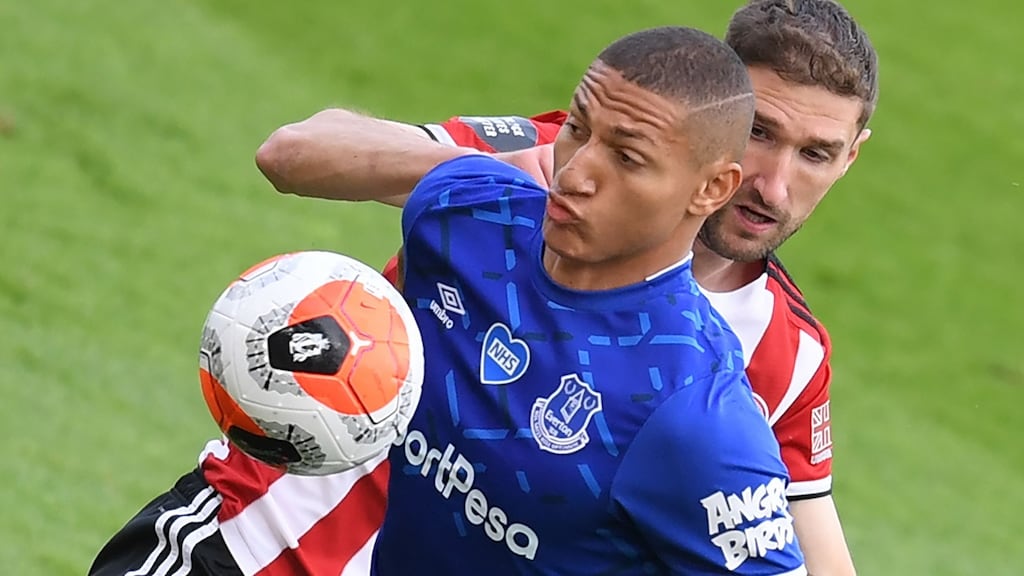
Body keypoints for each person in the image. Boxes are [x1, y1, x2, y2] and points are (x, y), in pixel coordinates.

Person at [89, 1, 877, 575]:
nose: (774, 185)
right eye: (761, 131)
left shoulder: (777, 357)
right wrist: (504, 178)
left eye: (815, 153)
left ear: (850, 158)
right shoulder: (543, 165)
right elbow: (297, 152)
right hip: (263, 536)